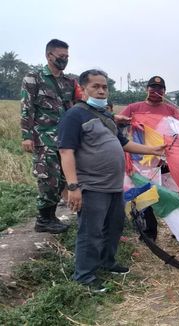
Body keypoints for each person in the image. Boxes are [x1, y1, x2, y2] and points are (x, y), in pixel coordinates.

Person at [58, 69, 165, 292]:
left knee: (114, 226)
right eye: (95, 86)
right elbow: (66, 152)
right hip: (92, 186)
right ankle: (85, 276)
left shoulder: (106, 116)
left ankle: (107, 262)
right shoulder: (74, 116)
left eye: (104, 87)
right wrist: (73, 186)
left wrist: (153, 150)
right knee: (91, 231)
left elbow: (124, 144)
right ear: (83, 89)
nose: (100, 90)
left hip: (114, 186)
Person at [20, 39, 82, 234]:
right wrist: (27, 136)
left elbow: (76, 107)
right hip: (43, 138)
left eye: (67, 57)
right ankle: (43, 219)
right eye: (61, 57)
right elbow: (26, 108)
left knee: (63, 179)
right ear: (49, 56)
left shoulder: (69, 82)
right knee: (48, 180)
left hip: (65, 139)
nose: (64, 60)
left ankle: (50, 216)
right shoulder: (34, 78)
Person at [119, 76, 179, 241]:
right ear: (147, 89)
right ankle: (148, 232)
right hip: (142, 161)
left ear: (164, 92)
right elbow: (118, 128)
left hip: (166, 160)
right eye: (152, 88)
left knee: (173, 193)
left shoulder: (171, 110)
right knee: (144, 194)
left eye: (160, 89)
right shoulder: (134, 108)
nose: (156, 91)